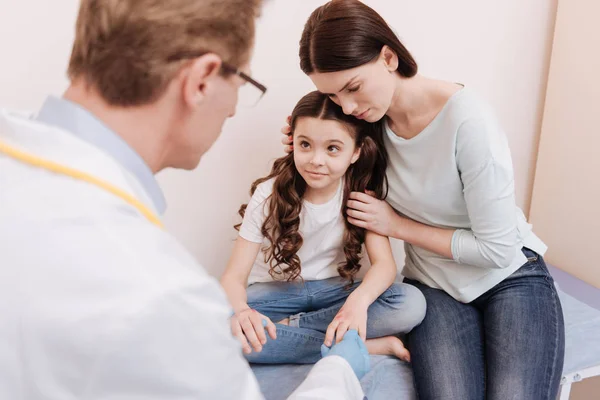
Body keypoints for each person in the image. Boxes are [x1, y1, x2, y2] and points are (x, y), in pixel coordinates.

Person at [0, 1, 369, 399]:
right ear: (202, 80)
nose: (231, 110)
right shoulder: (162, 297)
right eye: (242, 83)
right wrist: (340, 370)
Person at [280, 1, 565, 399]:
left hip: (509, 277)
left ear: (389, 57)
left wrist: (396, 226)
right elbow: (326, 163)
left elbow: (497, 249)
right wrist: (307, 148)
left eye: (353, 87)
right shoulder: (366, 124)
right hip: (434, 285)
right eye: (332, 95)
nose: (347, 107)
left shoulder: (469, 122)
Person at [221, 90, 426, 364]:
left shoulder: (360, 195)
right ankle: (365, 346)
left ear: (355, 152)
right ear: (292, 142)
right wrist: (242, 313)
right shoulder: (268, 194)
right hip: (276, 294)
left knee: (411, 303)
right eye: (305, 145)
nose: (316, 160)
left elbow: (385, 266)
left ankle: (289, 330)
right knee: (218, 327)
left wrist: (358, 303)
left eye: (332, 148)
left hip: (335, 292)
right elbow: (233, 277)